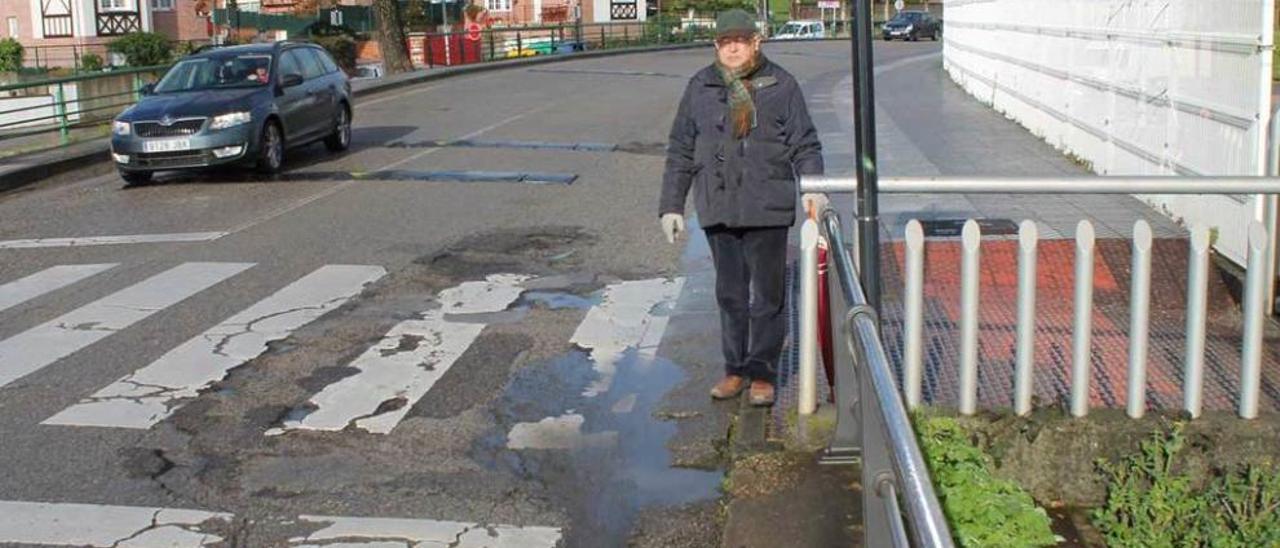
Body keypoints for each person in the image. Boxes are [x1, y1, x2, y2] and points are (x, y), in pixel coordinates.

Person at [659, 9, 825, 406]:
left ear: (756, 42)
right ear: (716, 46)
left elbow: (805, 143)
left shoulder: (781, 84)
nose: (732, 48)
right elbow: (681, 148)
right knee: (730, 295)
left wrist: (813, 187)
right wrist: (671, 205)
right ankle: (735, 369)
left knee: (767, 296)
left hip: (767, 204)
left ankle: (762, 372)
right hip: (719, 206)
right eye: (725, 42)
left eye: (740, 40)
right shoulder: (700, 86)